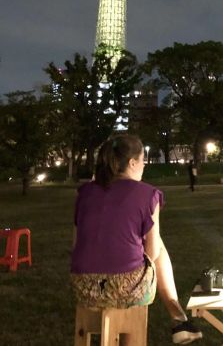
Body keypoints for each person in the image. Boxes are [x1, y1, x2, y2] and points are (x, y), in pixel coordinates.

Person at [71, 134, 202, 345]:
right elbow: (152, 254)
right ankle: (178, 318)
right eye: (143, 161)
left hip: (83, 286)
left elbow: (76, 243)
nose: (144, 166)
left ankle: (179, 319)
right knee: (158, 242)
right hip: (126, 288)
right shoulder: (148, 194)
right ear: (132, 163)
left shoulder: (84, 193)